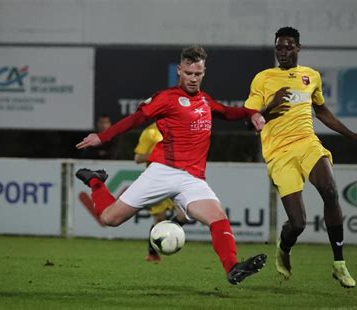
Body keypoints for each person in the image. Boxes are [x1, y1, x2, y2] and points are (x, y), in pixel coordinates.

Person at [75, 45, 267, 285]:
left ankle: (232, 268)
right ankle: (95, 181)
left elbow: (228, 112)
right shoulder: (166, 98)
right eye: (188, 73)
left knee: (218, 218)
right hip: (163, 171)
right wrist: (102, 137)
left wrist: (252, 113)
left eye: (198, 74)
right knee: (109, 219)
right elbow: (136, 119)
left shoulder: (205, 101)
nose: (193, 79)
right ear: (179, 70)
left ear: (204, 72)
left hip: (192, 179)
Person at [244, 27, 357, 288]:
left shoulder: (311, 76)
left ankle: (339, 265)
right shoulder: (263, 78)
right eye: (279, 48)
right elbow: (250, 123)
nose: (283, 52)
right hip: (279, 153)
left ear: (298, 48)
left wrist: (352, 135)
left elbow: (322, 111)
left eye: (288, 47)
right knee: (298, 223)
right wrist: (270, 106)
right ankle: (284, 247)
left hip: (307, 143)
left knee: (330, 190)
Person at [134, 122, 187, 262]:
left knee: (185, 214)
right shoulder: (150, 132)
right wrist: (158, 154)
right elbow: (138, 158)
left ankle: (170, 235)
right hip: (157, 181)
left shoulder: (177, 127)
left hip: (176, 178)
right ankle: (153, 253)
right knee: (159, 220)